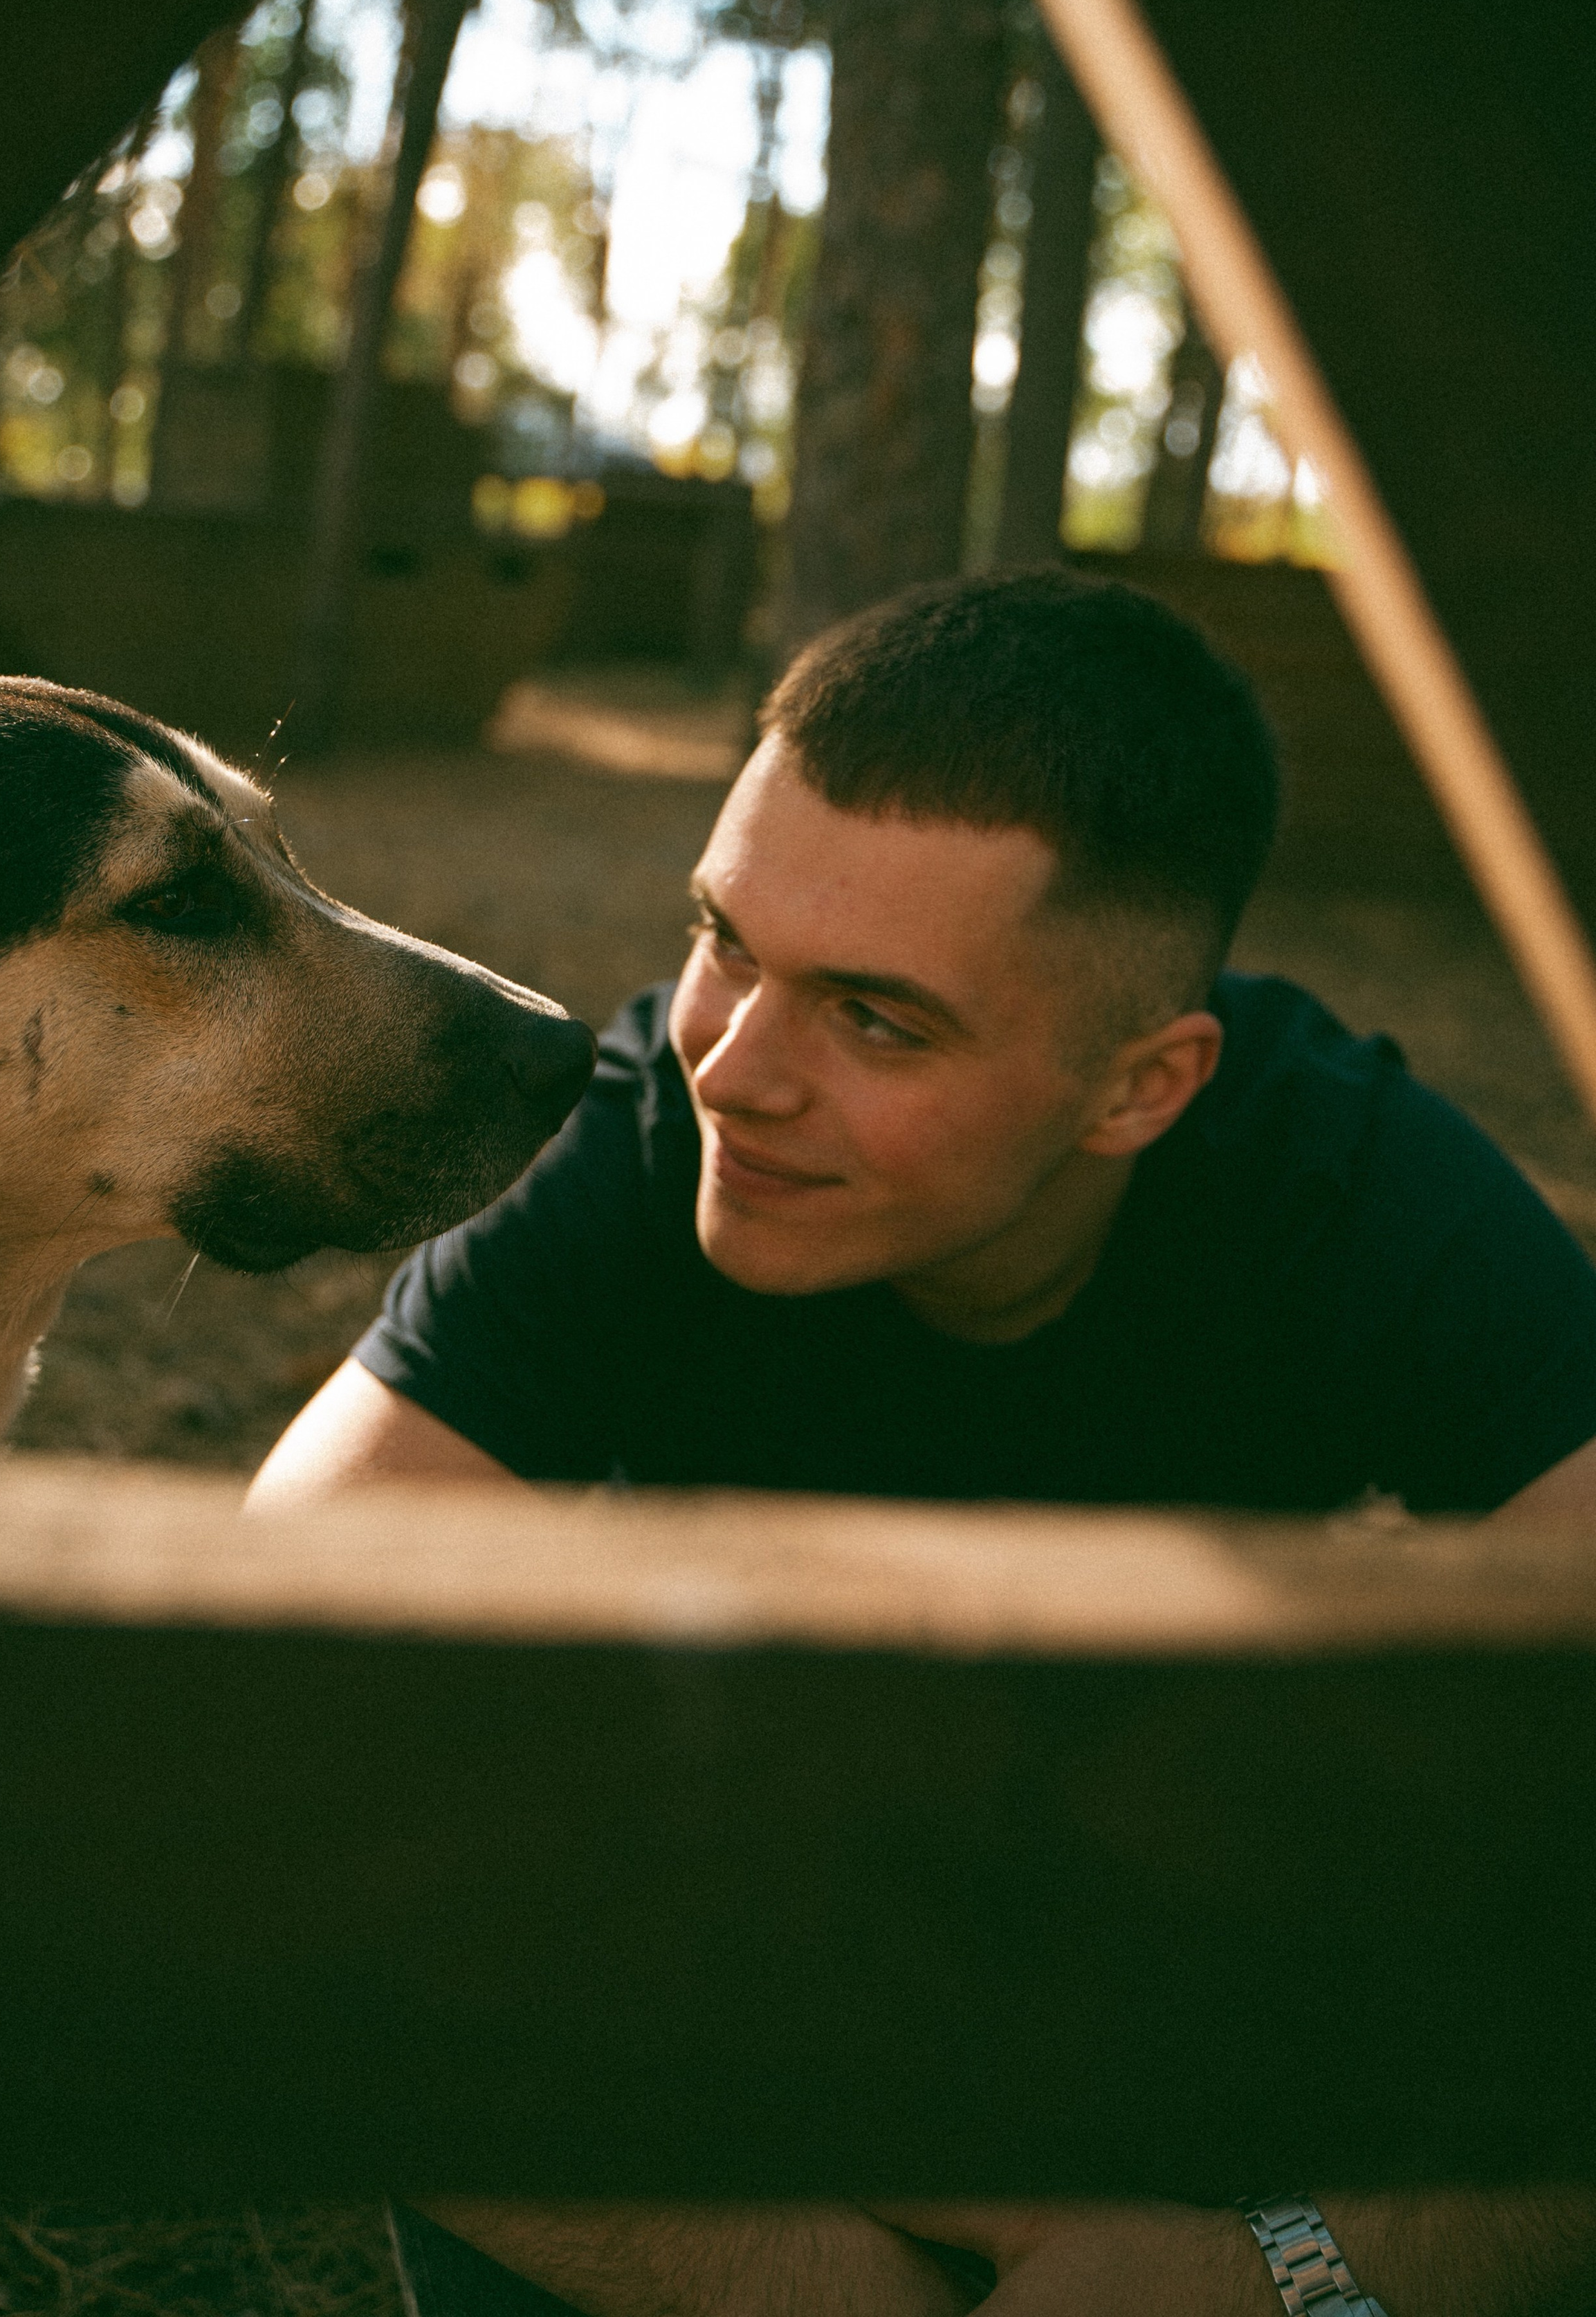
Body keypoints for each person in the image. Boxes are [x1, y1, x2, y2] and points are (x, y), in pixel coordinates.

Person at [252, 574, 1596, 2316]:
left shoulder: (1341, 1188)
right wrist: (791, 2284)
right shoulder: (649, 1143)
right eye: (721, 937)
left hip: (1145, 2007)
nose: (733, 1067)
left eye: (876, 1018)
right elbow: (255, 1746)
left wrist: (1283, 2280)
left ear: (1141, 1088)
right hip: (696, 2041)